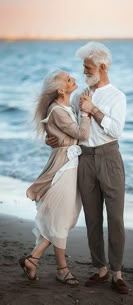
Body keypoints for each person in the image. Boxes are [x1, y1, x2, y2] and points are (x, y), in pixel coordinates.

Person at [47, 42, 129, 294]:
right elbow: (70, 127)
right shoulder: (81, 93)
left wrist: (93, 110)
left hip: (109, 157)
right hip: (84, 158)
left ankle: (117, 272)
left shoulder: (117, 96)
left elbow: (116, 130)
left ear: (102, 67)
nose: (84, 72)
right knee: (92, 218)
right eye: (83, 67)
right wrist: (54, 138)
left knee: (115, 218)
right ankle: (101, 269)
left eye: (88, 67)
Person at [19, 69, 90, 286]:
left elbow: (63, 135)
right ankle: (62, 269)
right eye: (69, 79)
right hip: (63, 167)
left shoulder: (66, 107)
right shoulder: (58, 110)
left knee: (62, 217)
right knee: (61, 218)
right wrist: (86, 113)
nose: (74, 79)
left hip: (70, 164)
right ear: (61, 90)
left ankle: (33, 259)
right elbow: (83, 135)